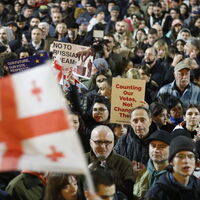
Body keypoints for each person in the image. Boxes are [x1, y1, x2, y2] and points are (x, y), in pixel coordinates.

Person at [86, 125, 134, 200]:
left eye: (107, 142)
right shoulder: (80, 161)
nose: (103, 146)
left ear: (113, 143)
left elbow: (128, 193)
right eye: (98, 142)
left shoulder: (124, 164)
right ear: (90, 142)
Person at [145, 136, 200, 200]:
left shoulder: (197, 185)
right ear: (171, 161)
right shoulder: (157, 193)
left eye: (190, 156)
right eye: (180, 156)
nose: (186, 161)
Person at [134, 130, 172, 200]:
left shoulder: (178, 177)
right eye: (153, 146)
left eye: (162, 146)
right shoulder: (142, 174)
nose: (156, 150)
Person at [115, 106, 154, 172]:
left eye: (142, 120)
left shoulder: (158, 141)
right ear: (130, 123)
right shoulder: (122, 141)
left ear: (150, 121)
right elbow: (115, 163)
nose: (139, 124)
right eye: (135, 121)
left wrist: (146, 171)